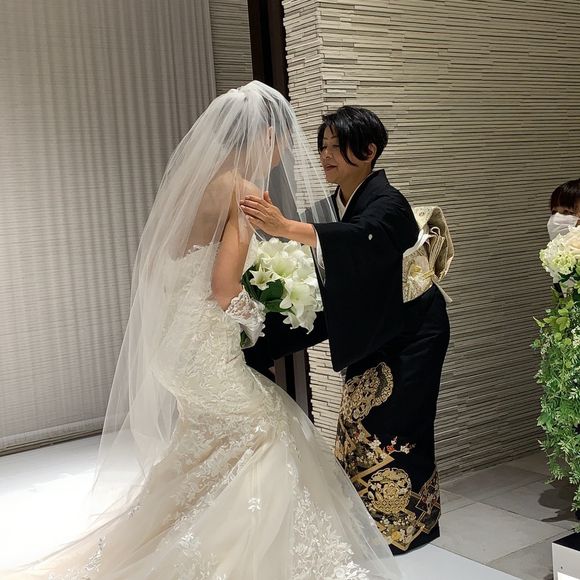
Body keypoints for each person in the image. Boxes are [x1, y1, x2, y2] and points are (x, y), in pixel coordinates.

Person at [1, 83, 400, 579]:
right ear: (266, 136)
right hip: (208, 352)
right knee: (267, 430)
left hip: (175, 350)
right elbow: (223, 288)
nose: (292, 150)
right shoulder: (243, 191)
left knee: (207, 446)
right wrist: (257, 320)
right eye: (285, 137)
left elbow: (161, 269)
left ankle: (174, 538)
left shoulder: (195, 185)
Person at [241, 106, 453, 553]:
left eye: (338, 147)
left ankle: (408, 529)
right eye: (323, 146)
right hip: (376, 329)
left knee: (399, 428)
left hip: (414, 333)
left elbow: (362, 238)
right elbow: (317, 257)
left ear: (369, 151)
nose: (326, 155)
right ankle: (368, 526)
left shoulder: (387, 202)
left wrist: (286, 227)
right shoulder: (334, 204)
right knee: (358, 424)